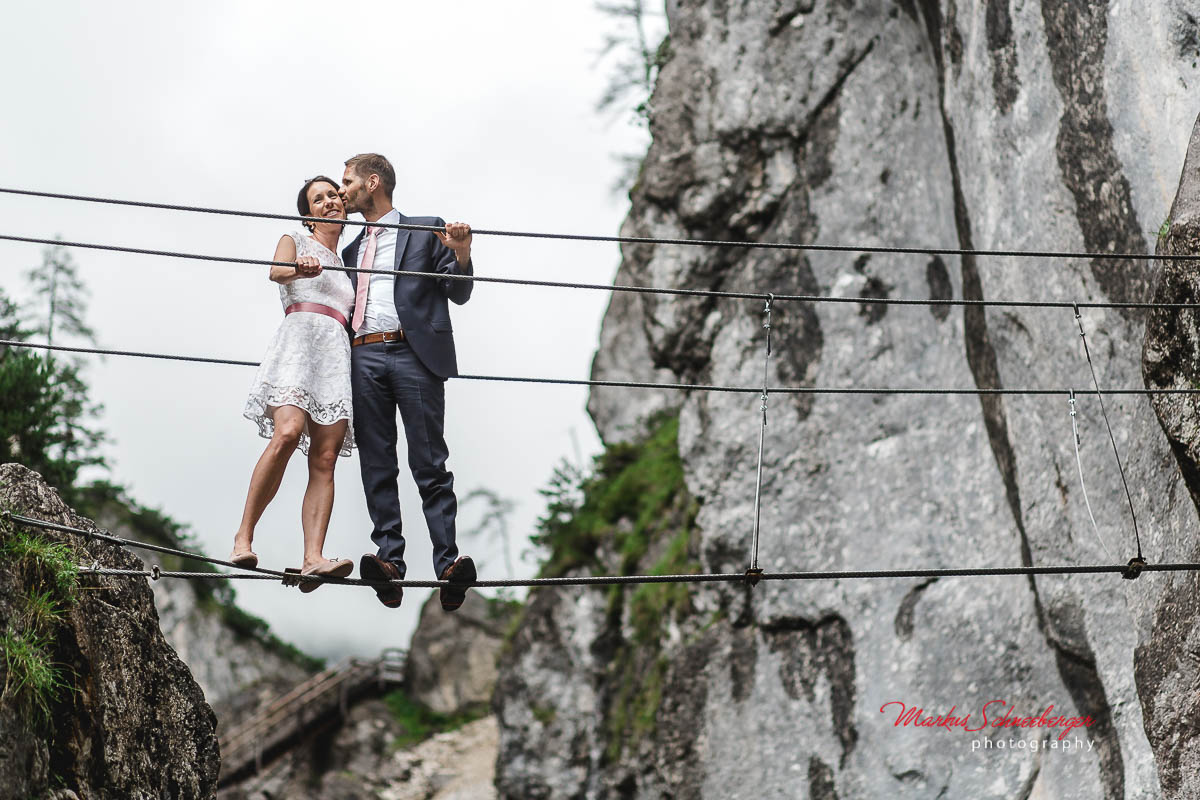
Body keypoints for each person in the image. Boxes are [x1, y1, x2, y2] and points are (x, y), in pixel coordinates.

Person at [338, 152, 475, 611]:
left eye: (348, 181)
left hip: (414, 353)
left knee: (429, 461)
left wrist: (461, 252)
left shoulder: (423, 227)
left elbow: (457, 290)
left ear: (373, 182)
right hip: (363, 356)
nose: (342, 191)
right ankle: (390, 563)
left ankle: (448, 566)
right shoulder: (352, 250)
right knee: (377, 462)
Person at [230, 176, 356, 592]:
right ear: (308, 214)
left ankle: (312, 559)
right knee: (286, 434)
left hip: (336, 354)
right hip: (300, 343)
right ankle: (243, 538)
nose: (328, 202)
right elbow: (276, 271)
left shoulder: (352, 262)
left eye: (333, 195)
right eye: (318, 199)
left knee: (325, 458)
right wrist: (297, 268)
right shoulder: (294, 241)